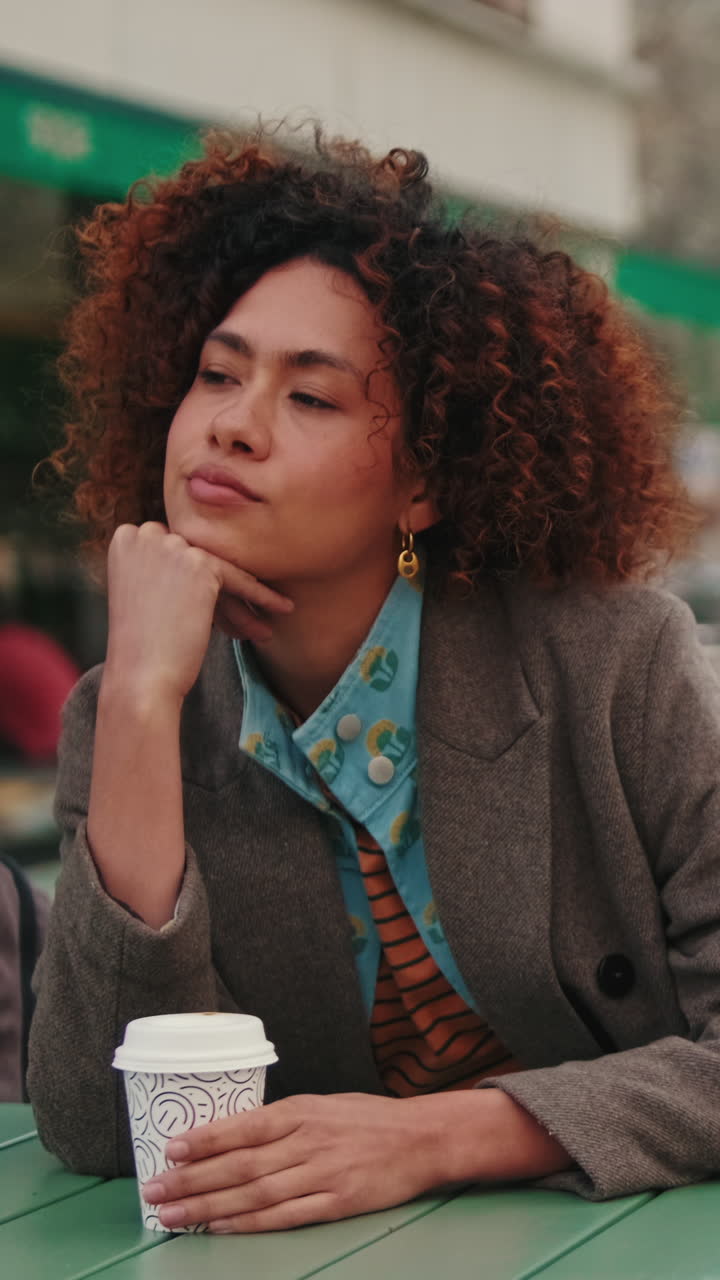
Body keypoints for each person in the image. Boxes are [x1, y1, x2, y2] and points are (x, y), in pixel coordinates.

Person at [26, 126, 720, 1234]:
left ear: (425, 481)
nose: (232, 425)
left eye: (311, 397)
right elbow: (104, 1130)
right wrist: (143, 706)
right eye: (217, 374)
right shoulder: (132, 717)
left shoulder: (616, 667)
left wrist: (438, 1135)